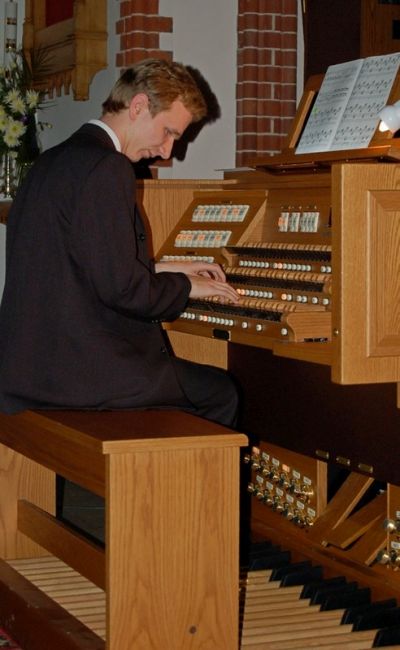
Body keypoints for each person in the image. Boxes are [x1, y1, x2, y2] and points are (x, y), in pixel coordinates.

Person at [0, 58, 240, 427]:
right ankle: (167, 468)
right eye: (168, 132)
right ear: (139, 106)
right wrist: (186, 285)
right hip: (80, 375)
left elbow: (78, 262)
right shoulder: (107, 167)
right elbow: (125, 291)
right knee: (221, 393)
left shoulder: (51, 161)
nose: (167, 151)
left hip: (28, 368)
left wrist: (165, 267)